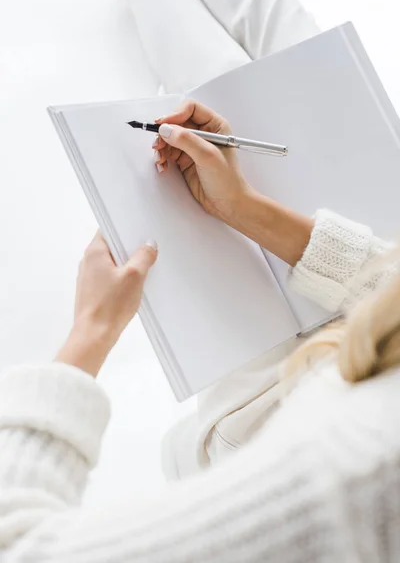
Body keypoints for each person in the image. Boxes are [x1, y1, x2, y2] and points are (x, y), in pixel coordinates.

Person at [0, 97, 399, 562]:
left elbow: (19, 547)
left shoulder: (356, 469)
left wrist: (90, 331)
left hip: (244, 419)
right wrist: (242, 207)